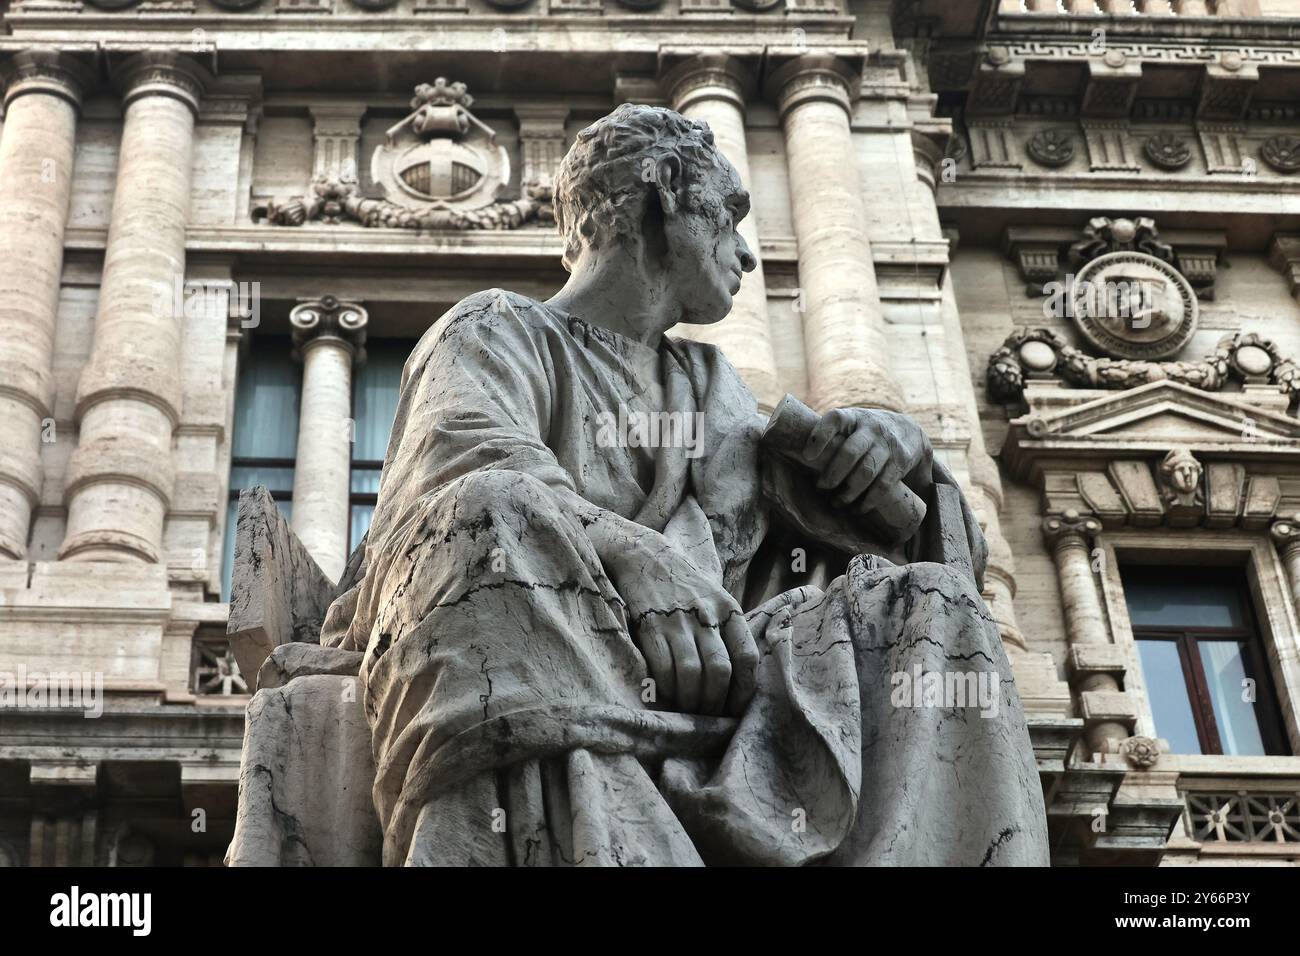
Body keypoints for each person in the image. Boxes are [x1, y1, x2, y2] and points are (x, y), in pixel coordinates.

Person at [324, 103, 1049, 866]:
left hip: (719, 665)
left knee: (928, 600)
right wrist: (640, 566)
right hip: (567, 642)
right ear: (667, 186)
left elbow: (844, 537)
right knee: (492, 511)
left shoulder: (712, 386)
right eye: (731, 218)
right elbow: (464, 479)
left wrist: (901, 461)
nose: (746, 254)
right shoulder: (496, 329)